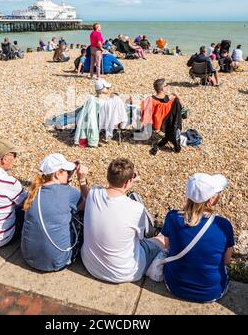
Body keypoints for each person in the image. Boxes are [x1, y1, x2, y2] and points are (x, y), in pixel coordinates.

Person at [81, 158, 164, 283]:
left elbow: (88, 194)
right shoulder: (136, 208)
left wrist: (82, 180)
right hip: (125, 272)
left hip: (91, 265)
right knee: (162, 239)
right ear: (127, 183)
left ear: (108, 177)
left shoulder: (94, 193)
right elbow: (142, 237)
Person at [159, 173, 234, 303]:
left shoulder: (172, 218)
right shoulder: (223, 225)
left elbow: (168, 246)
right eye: (218, 192)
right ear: (211, 200)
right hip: (211, 292)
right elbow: (226, 261)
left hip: (175, 286)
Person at [21, 154, 89, 272]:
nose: (69, 174)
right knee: (80, 216)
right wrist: (82, 180)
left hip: (28, 257)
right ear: (58, 174)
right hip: (58, 261)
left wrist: (69, 173)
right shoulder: (69, 192)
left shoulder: (34, 191)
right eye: (67, 172)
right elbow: (89, 205)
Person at [142, 79, 184, 155]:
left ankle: (167, 138)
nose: (168, 86)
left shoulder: (150, 99)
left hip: (158, 125)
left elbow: (145, 113)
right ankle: (174, 142)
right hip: (170, 125)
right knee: (175, 110)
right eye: (166, 85)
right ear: (163, 88)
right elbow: (183, 107)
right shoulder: (171, 100)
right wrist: (177, 95)